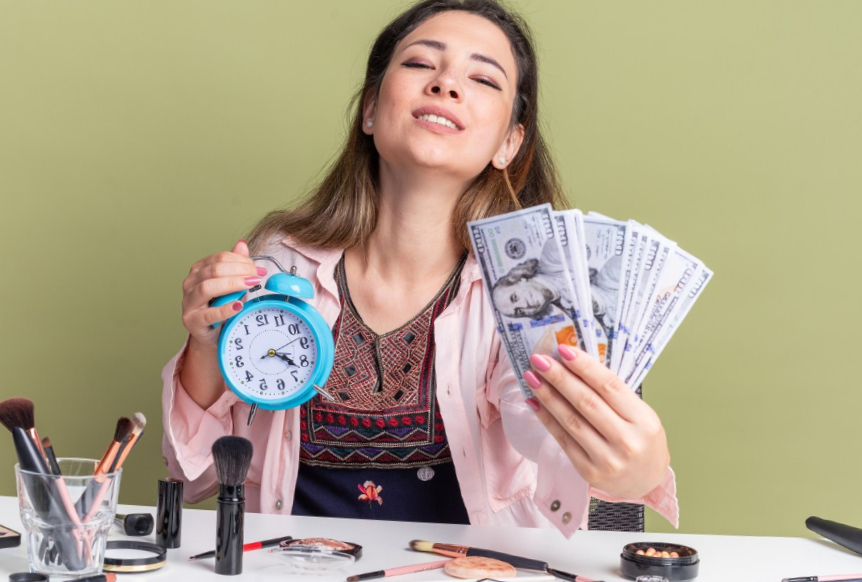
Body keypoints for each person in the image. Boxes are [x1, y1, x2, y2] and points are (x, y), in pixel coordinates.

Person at [163, 0, 677, 537]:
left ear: (509, 143)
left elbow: (542, 433)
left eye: (482, 78)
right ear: (369, 110)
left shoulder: (534, 289)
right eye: (418, 64)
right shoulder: (279, 259)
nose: (446, 84)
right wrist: (205, 345)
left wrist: (629, 466)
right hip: (292, 568)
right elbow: (192, 473)